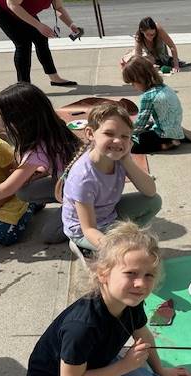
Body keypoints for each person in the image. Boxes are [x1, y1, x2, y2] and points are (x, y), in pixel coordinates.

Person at [21, 221, 191, 376]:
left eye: (149, 275)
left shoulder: (130, 301)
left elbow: (144, 335)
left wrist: (161, 371)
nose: (141, 283)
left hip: (96, 363)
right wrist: (125, 365)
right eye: (131, 273)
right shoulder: (82, 327)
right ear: (103, 273)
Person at [59, 103, 162, 259]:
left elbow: (150, 191)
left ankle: (120, 240)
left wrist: (127, 160)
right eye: (109, 133)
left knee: (154, 202)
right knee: (125, 256)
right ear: (90, 133)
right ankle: (83, 247)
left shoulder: (118, 158)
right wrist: (118, 249)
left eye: (124, 136)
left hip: (109, 215)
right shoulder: (83, 177)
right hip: (84, 231)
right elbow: (88, 229)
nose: (117, 141)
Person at [0, 82, 82, 243]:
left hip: (86, 196)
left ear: (21, 119)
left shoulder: (36, 149)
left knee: (50, 235)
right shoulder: (52, 127)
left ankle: (95, 214)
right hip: (71, 185)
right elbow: (57, 161)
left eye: (6, 116)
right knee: (24, 192)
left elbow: (6, 188)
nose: (0, 119)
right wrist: (42, 171)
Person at [0, 0, 80, 85]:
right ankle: (24, 86)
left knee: (41, 39)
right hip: (1, 7)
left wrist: (71, 24)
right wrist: (39, 26)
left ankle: (54, 78)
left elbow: (58, 7)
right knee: (23, 43)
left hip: (22, 8)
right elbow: (12, 4)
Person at [122, 56, 185, 154]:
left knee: (133, 146)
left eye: (133, 83)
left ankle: (165, 145)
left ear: (141, 78)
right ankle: (175, 137)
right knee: (148, 128)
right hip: (176, 127)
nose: (133, 86)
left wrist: (126, 134)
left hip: (164, 134)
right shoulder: (164, 87)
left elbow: (140, 123)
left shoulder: (148, 96)